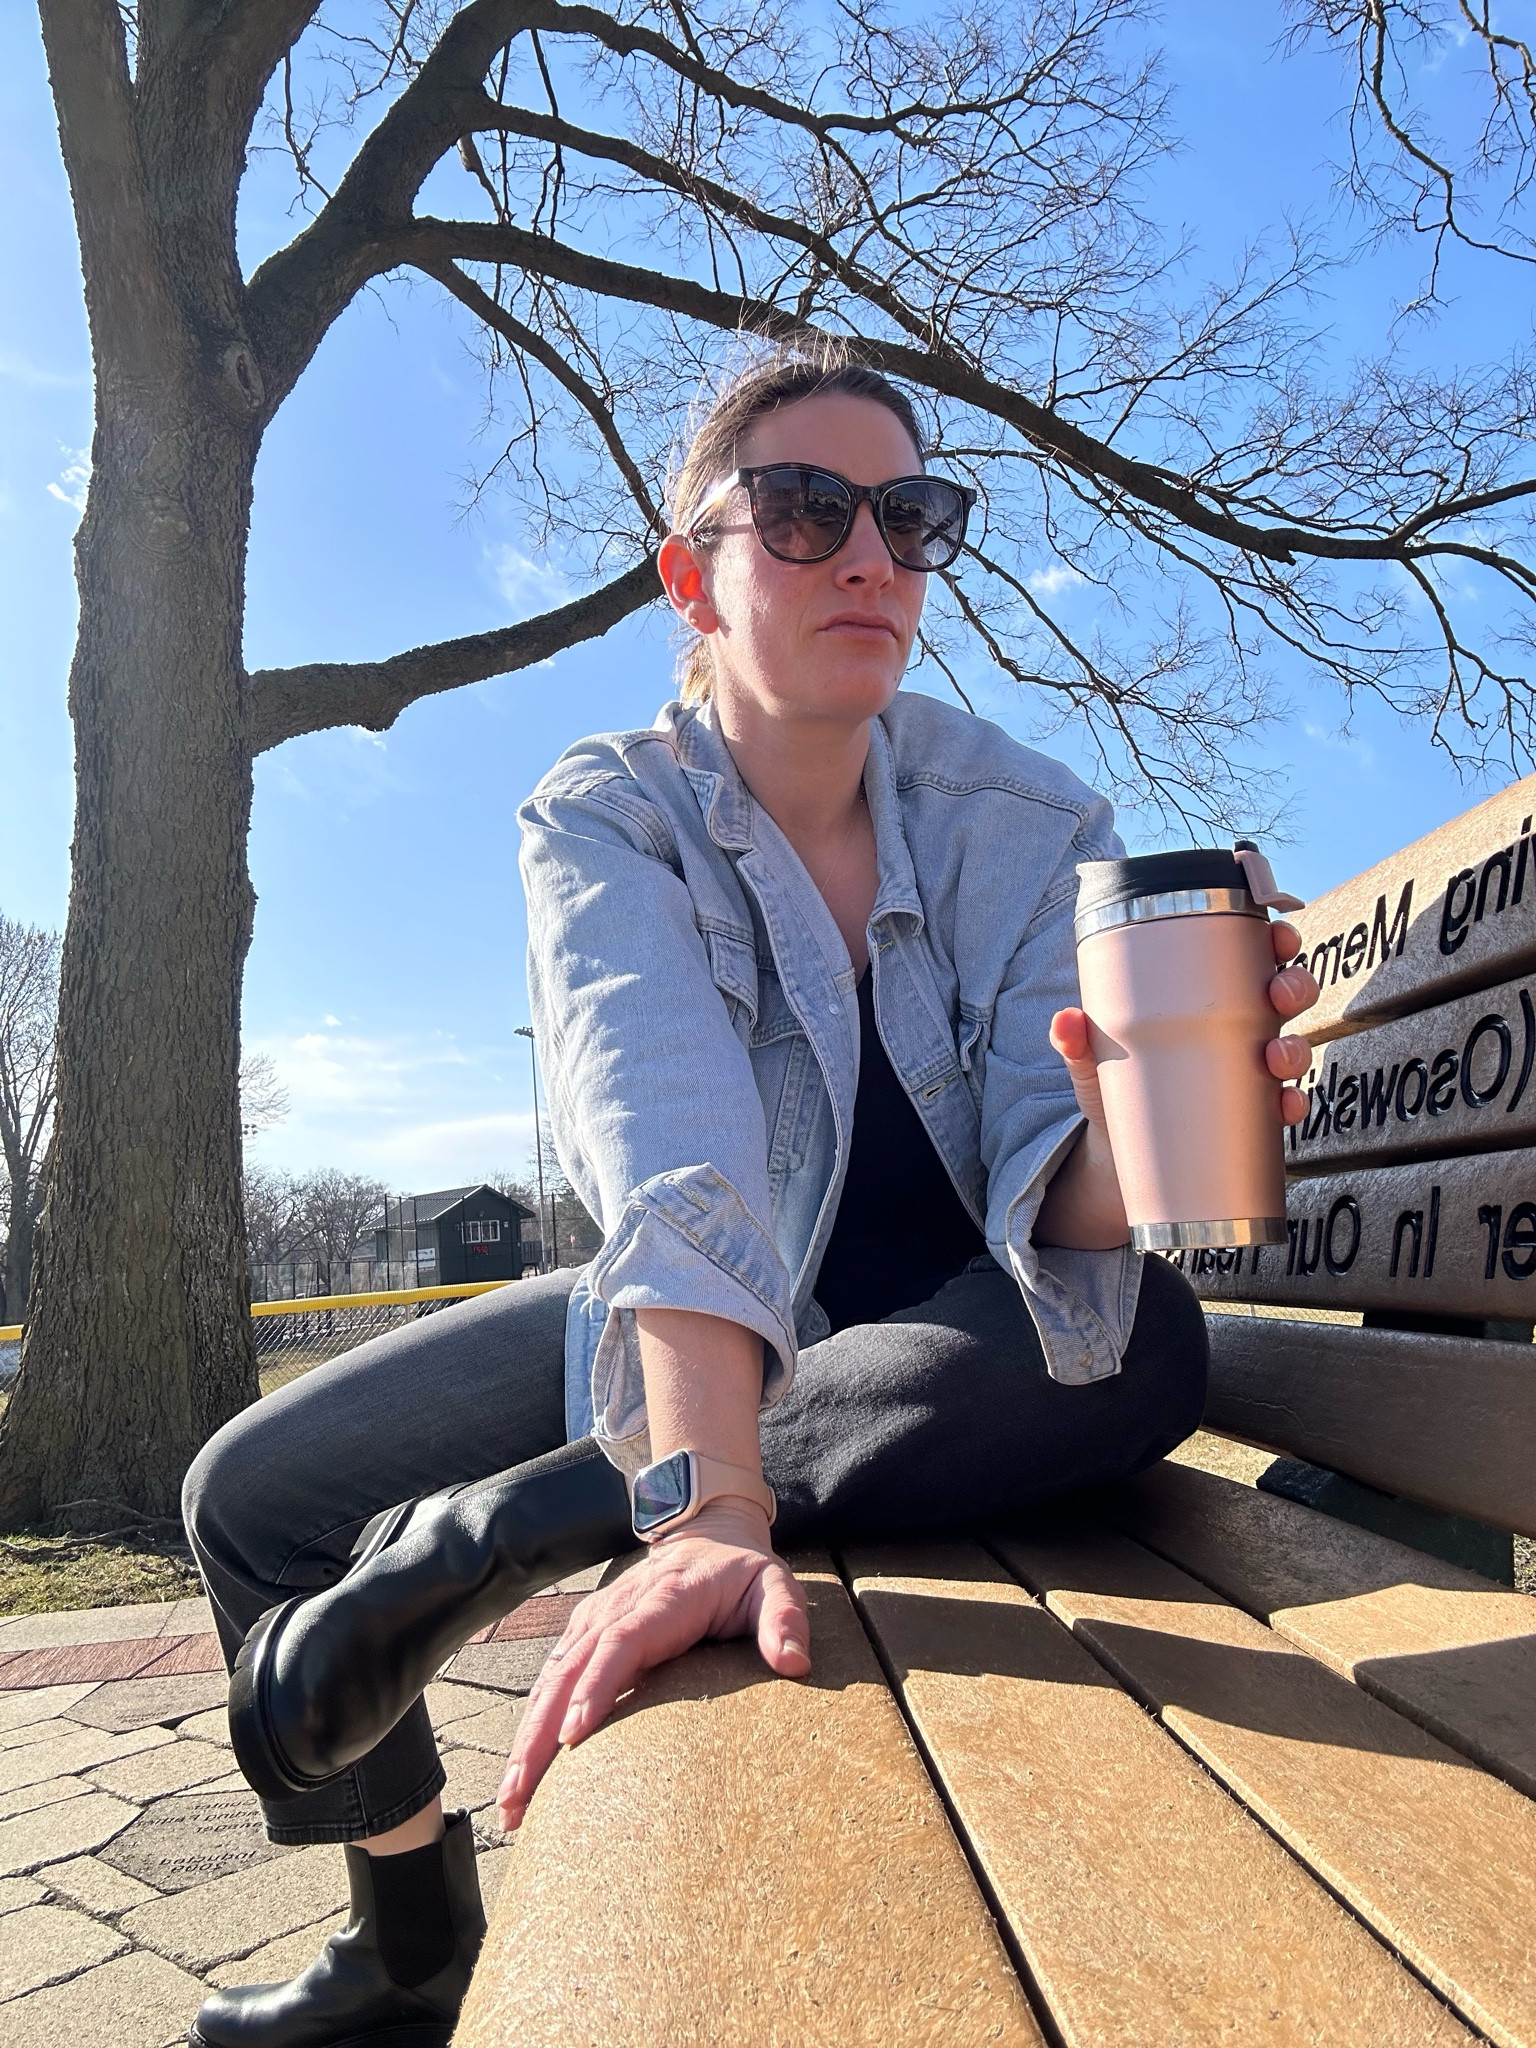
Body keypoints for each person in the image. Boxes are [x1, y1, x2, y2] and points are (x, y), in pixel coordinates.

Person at [181, 345, 1319, 2048]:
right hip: (723, 1334)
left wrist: (1136, 1119)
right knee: (253, 1493)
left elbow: (1065, 1225)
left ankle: (533, 1514)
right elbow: (670, 1140)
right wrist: (711, 1497)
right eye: (803, 510)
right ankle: (404, 1946)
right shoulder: (610, 812)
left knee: (1142, 1341)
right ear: (689, 575)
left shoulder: (1031, 817)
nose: (869, 554)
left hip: (968, 1331)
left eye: (913, 516)